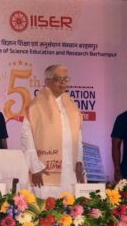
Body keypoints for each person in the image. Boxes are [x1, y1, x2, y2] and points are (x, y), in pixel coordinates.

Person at [21, 64, 84, 197]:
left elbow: (78, 137)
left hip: (70, 170)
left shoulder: (72, 106)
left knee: (71, 207)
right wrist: (35, 167)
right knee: (46, 208)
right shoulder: (35, 106)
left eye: (66, 79)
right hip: (44, 171)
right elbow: (27, 139)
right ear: (47, 82)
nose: (63, 83)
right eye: (58, 79)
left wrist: (79, 160)